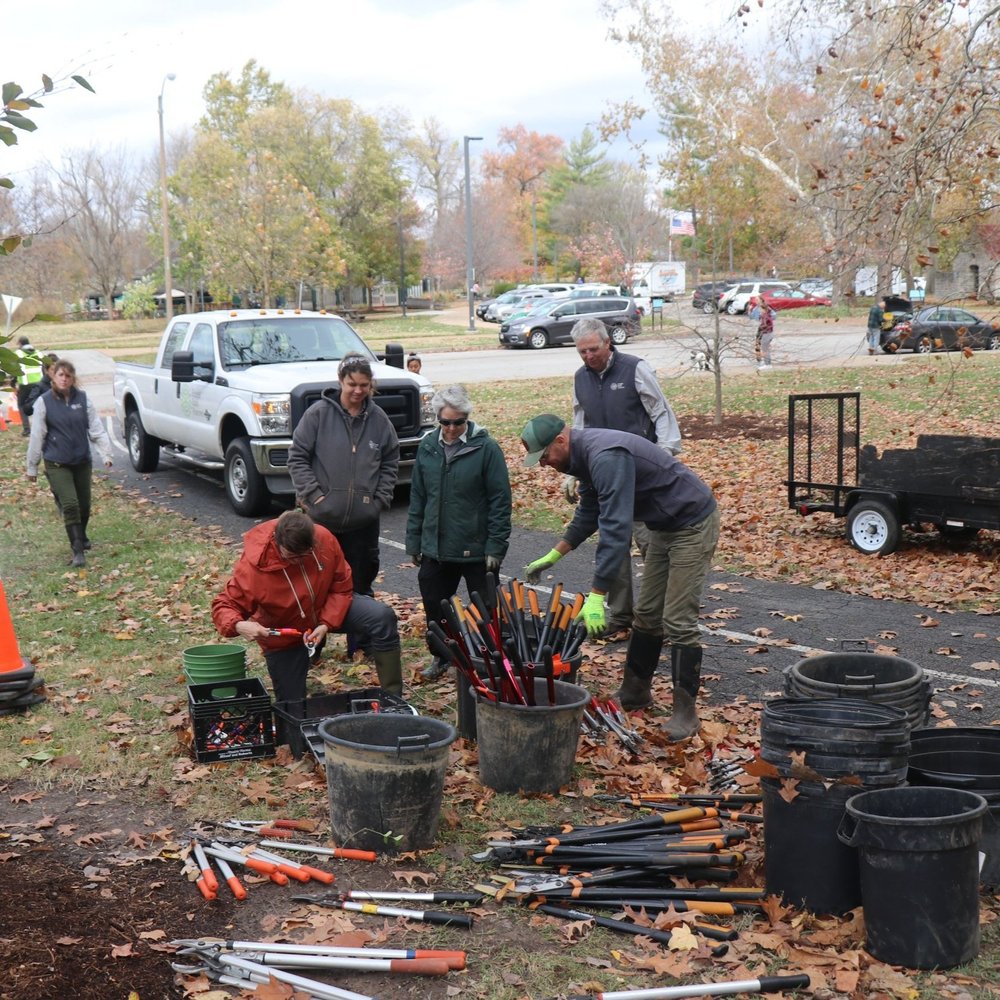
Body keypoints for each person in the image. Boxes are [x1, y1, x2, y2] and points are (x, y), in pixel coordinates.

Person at [521, 415, 719, 741]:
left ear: (561, 440)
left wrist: (597, 596)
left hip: (692, 523)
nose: (544, 464)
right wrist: (554, 554)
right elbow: (590, 511)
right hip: (663, 526)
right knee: (648, 613)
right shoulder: (582, 458)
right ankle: (635, 692)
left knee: (677, 619)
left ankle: (686, 714)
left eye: (544, 456)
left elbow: (615, 528)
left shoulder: (605, 456)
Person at [564, 318, 681, 640]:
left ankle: (662, 618)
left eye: (593, 349)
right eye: (582, 351)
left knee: (653, 548)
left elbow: (661, 411)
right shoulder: (580, 378)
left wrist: (665, 454)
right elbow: (579, 423)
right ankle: (620, 614)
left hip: (642, 476)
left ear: (608, 343)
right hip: (604, 474)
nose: (588, 356)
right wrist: (575, 469)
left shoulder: (635, 369)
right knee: (613, 543)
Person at [212, 510, 403, 702]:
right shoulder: (254, 567)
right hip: (284, 633)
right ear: (277, 542)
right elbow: (224, 605)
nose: (298, 560)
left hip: (324, 609)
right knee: (292, 705)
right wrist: (239, 625)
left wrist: (325, 624)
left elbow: (341, 586)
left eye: (305, 554)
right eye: (291, 556)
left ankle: (393, 699)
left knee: (381, 617)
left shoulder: (324, 538)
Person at [406, 385, 512, 680]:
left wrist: (495, 546)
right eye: (445, 422)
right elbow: (418, 497)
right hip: (437, 547)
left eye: (458, 422)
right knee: (434, 605)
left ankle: (492, 659)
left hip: (477, 548)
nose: (452, 428)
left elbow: (500, 501)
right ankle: (443, 656)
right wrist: (414, 541)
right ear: (437, 419)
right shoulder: (428, 447)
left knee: (487, 608)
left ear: (467, 418)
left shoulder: (486, 449)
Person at [288, 354, 399, 599]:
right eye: (352, 384)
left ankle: (358, 626)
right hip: (322, 521)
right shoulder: (318, 414)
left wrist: (379, 500)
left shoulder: (379, 420)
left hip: (363, 525)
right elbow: (297, 457)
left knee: (360, 590)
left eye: (364, 385)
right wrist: (315, 496)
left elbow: (390, 461)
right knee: (317, 590)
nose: (358, 391)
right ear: (341, 381)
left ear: (371, 384)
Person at [25, 359, 113, 568]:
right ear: (53, 377)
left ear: (73, 378)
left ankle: (80, 535)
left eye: (68, 375)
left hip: (82, 460)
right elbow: (37, 436)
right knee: (71, 505)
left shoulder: (83, 399)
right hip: (57, 462)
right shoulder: (44, 402)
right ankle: (77, 550)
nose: (64, 379)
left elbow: (96, 429)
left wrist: (106, 454)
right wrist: (32, 466)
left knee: (84, 506)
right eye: (60, 375)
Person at [14, 336, 43, 437]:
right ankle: (40, 427)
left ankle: (27, 430)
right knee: (39, 405)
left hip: (25, 384)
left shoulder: (18, 353)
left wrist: (14, 383)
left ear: (20, 344)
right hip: (39, 383)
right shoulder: (38, 352)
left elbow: (14, 369)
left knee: (21, 405)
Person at [752, 297, 776, 369]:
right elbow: (752, 316)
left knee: (765, 348)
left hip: (766, 333)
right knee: (759, 346)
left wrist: (761, 326)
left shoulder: (766, 314)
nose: (756, 301)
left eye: (757, 300)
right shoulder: (757, 309)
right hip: (764, 331)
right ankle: (761, 361)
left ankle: (767, 364)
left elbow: (766, 324)